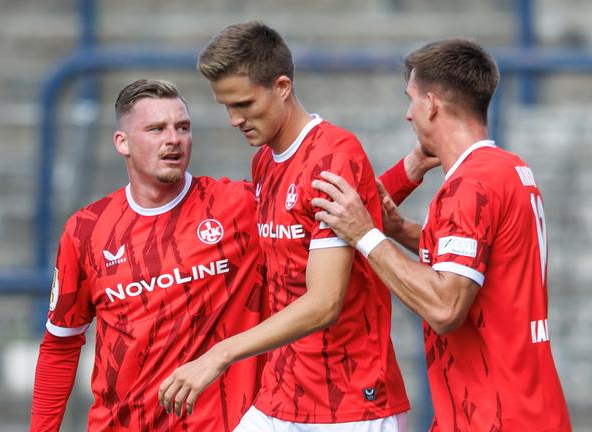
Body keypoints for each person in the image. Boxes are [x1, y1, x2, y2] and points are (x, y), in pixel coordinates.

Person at [158, 21, 411, 431]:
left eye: (243, 104)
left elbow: (325, 303)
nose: (234, 120)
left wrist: (218, 355)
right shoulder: (264, 162)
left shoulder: (333, 155)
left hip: (348, 402)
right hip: (281, 393)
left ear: (281, 87)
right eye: (226, 107)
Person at [311, 38, 572, 431]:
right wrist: (398, 230)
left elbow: (445, 308)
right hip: (531, 406)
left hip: (493, 415)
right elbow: (484, 256)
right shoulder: (509, 169)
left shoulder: (471, 186)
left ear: (431, 104)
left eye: (411, 99)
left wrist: (366, 235)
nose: (408, 115)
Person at [29, 79, 266, 431]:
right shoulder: (87, 231)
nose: (173, 139)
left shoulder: (239, 206)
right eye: (156, 129)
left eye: (182, 127)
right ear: (121, 143)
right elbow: (61, 346)